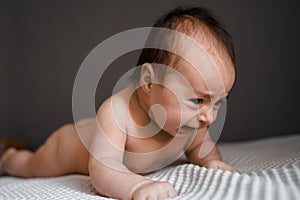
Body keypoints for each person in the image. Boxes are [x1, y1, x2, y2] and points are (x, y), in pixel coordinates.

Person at [0, 6, 237, 200]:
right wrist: (135, 187)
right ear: (148, 81)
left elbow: (199, 149)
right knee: (31, 166)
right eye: (198, 100)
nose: (210, 117)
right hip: (68, 147)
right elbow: (103, 166)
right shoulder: (117, 112)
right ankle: (8, 156)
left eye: (218, 103)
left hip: (87, 137)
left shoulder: (192, 121)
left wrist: (211, 161)